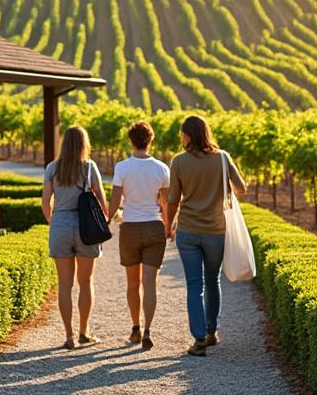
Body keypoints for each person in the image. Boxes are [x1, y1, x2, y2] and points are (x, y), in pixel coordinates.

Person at [165, 115, 246, 357]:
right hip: (216, 231)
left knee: (194, 285)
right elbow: (242, 188)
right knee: (213, 280)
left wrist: (169, 226)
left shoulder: (178, 162)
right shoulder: (222, 158)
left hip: (188, 231)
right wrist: (219, 188)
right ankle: (212, 332)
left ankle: (198, 339)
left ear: (188, 136)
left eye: (182, 133)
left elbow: (172, 200)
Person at [42, 126, 108, 350]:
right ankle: (84, 332)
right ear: (84, 144)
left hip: (60, 224)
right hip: (85, 228)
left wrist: (55, 222)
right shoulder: (89, 168)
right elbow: (101, 199)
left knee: (64, 285)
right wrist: (105, 219)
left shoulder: (53, 168)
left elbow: (45, 203)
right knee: (85, 282)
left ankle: (68, 336)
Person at [107, 120, 170, 350]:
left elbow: (115, 200)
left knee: (133, 284)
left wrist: (106, 219)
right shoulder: (162, 168)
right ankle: (147, 330)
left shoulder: (122, 167)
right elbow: (165, 203)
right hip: (154, 226)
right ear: (151, 140)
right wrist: (169, 226)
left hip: (130, 227)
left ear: (130, 141)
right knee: (150, 283)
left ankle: (134, 327)